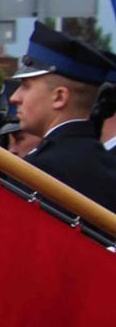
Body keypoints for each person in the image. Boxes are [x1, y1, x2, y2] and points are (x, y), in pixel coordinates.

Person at [7, 23, 116, 212]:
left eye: (26, 86)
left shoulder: (42, 170)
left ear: (59, 97)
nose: (14, 97)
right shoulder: (105, 163)